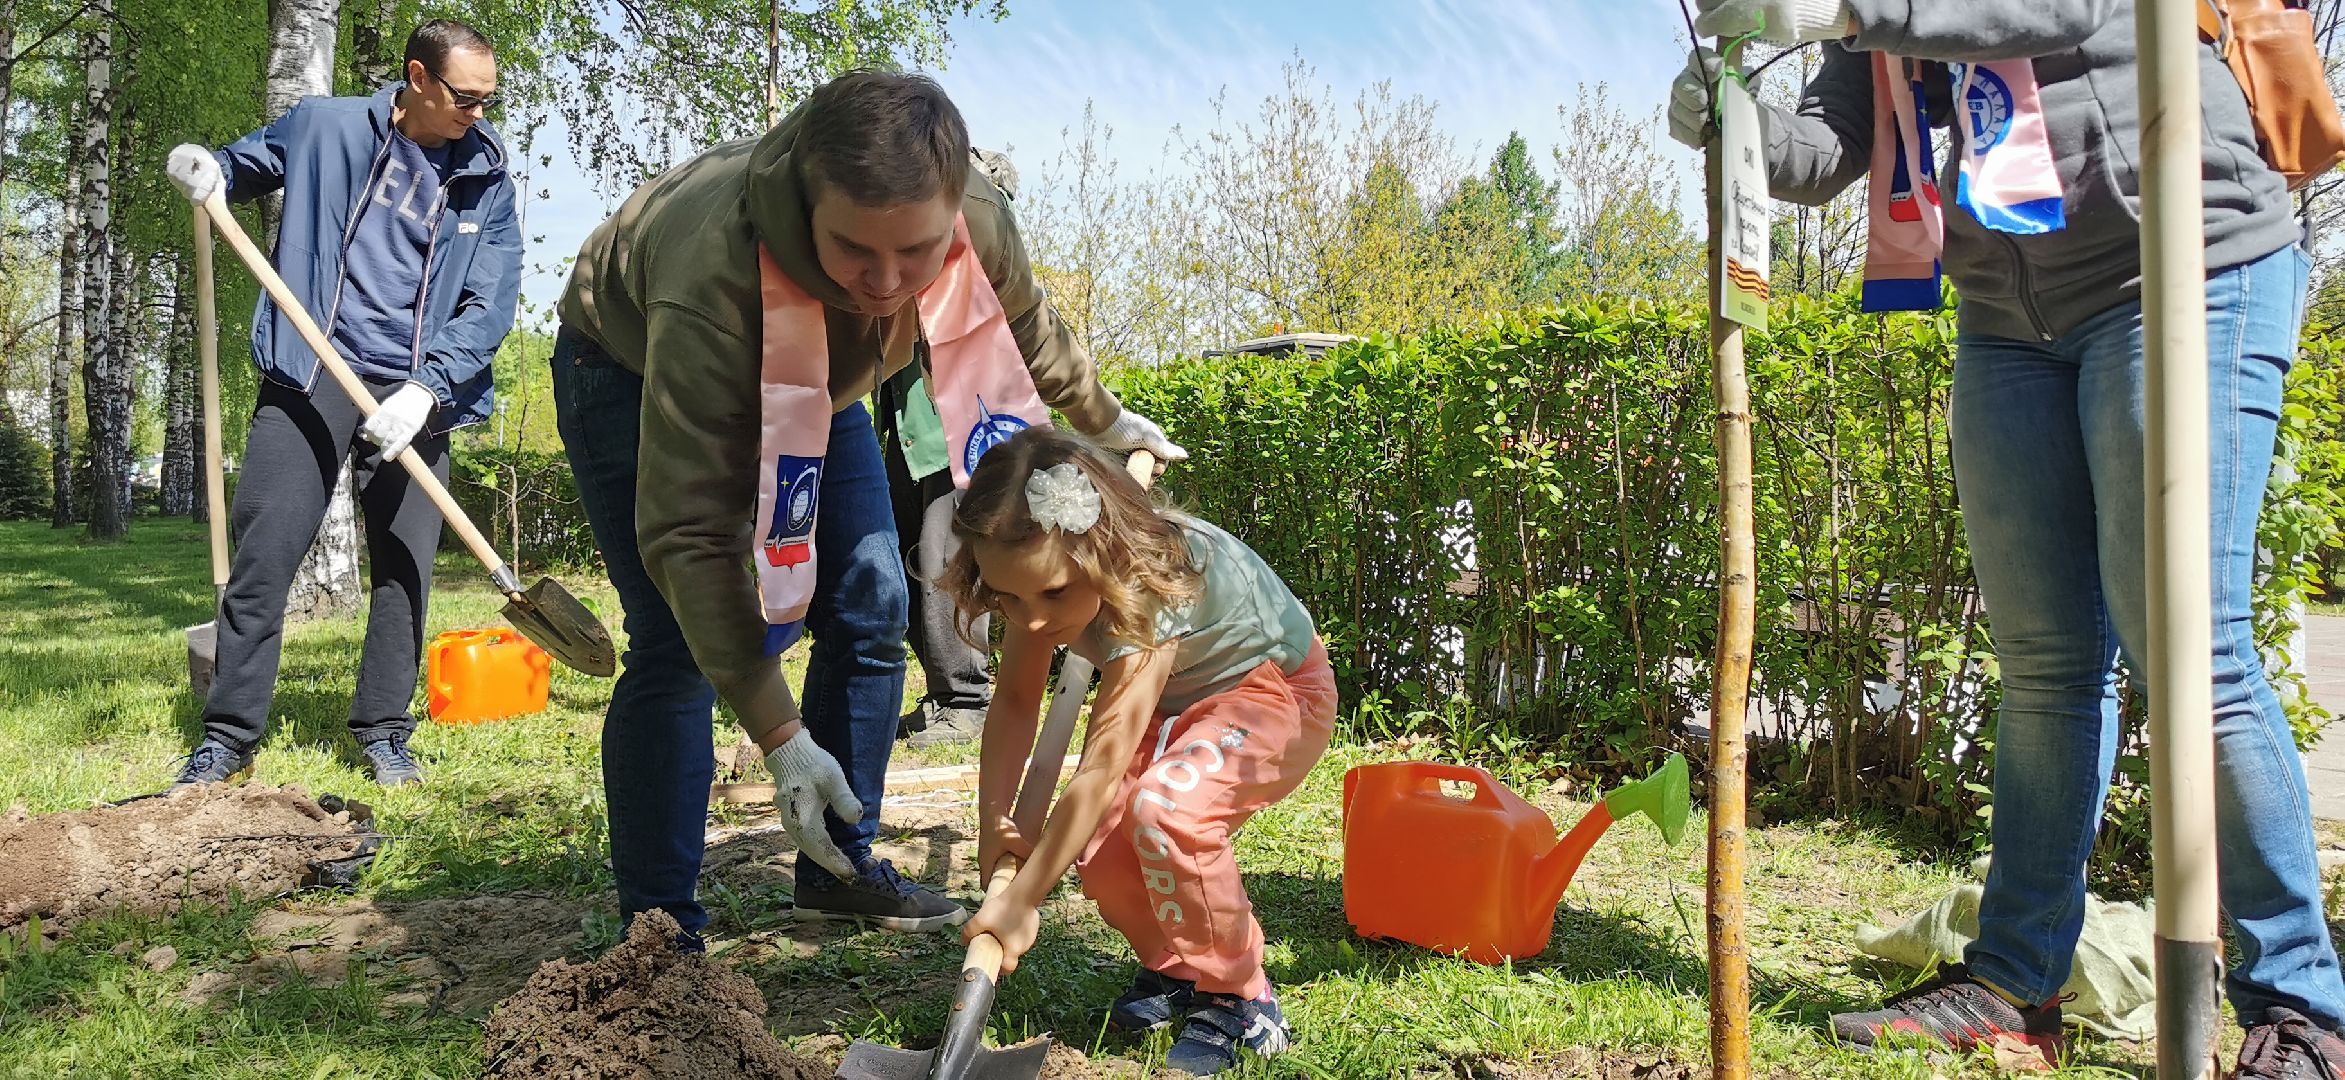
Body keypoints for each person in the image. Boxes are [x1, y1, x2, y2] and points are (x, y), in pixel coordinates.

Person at [1670, 1, 2345, 1073]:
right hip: (2006, 317)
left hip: (2184, 262)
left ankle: (2299, 1007)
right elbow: (1831, 144)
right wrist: (1732, 118)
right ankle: (2011, 982)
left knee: (2191, 652)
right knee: (2042, 667)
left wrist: (1850, 7)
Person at [550, 71, 1186, 946]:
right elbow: (690, 533)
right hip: (630, 367)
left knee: (871, 603)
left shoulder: (977, 217)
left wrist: (1106, 420)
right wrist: (779, 736)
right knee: (674, 643)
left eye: (916, 254)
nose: (886, 283)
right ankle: (661, 935)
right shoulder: (713, 274)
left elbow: (1026, 325)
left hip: (830, 378)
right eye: (853, 250)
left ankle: (838, 867)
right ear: (808, 203)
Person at [163, 18, 520, 790]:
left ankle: (384, 731)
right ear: (417, 79)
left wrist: (428, 389)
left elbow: (491, 303)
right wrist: (205, 169)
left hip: (419, 391)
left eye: (489, 99)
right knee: (266, 558)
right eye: (465, 97)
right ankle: (226, 738)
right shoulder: (324, 126)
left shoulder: (486, 177)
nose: (477, 114)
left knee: (406, 567)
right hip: (311, 372)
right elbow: (237, 170)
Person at [942, 426, 1334, 1077]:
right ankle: (1180, 969)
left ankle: (1241, 996)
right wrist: (995, 823)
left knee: (1164, 813)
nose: (1032, 619)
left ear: (1105, 551)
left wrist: (1021, 898)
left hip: (1272, 692)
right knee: (1102, 847)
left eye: (1053, 594)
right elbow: (1013, 702)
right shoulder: (1035, 585)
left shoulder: (1152, 580)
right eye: (1008, 596)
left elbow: (1099, 765)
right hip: (1177, 706)